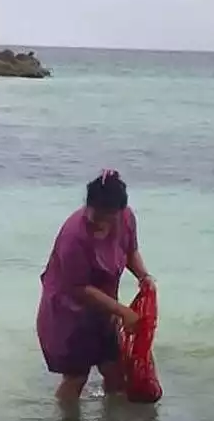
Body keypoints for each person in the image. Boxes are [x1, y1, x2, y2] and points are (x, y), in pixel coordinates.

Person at [36, 169, 155, 402]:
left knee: (114, 369)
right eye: (94, 214)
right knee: (76, 377)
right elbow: (79, 288)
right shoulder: (74, 236)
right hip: (69, 310)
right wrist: (123, 312)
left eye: (106, 217)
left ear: (119, 213)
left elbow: (130, 251)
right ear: (87, 205)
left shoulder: (127, 219)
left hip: (104, 308)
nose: (98, 222)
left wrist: (144, 276)